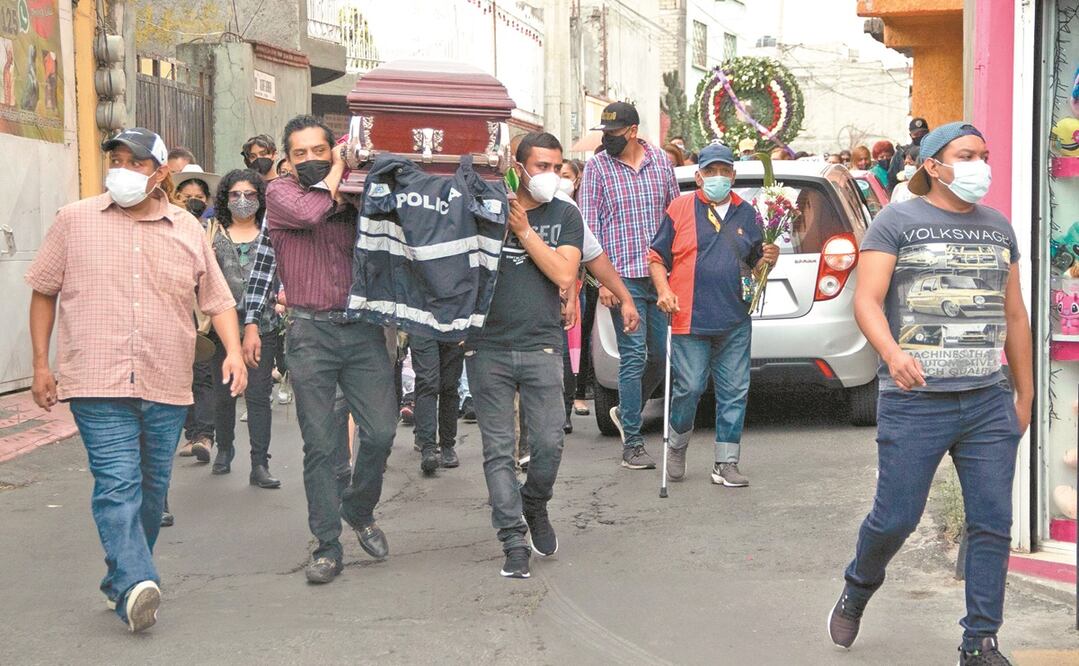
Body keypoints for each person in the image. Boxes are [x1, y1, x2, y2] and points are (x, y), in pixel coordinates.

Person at [25, 128, 246, 632]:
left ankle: (121, 581)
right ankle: (138, 583)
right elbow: (43, 291)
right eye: (117, 161)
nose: (123, 170)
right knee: (117, 482)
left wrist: (233, 351)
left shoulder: (187, 229)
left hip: (166, 378)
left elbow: (216, 299)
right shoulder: (73, 220)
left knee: (151, 489)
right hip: (95, 380)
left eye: (137, 163)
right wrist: (40, 364)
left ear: (161, 172)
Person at [828, 122, 1032, 665]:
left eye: (983, 154)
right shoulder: (896, 221)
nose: (979, 165)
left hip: (987, 398)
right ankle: (860, 583)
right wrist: (893, 354)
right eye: (966, 155)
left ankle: (980, 641)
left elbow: (1014, 314)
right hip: (916, 401)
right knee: (896, 517)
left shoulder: (998, 228)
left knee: (992, 522)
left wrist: (1025, 395)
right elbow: (867, 300)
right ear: (933, 165)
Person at [243, 115, 396, 585]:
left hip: (363, 330)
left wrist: (355, 178)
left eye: (319, 150)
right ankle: (327, 545)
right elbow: (310, 214)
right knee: (322, 446)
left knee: (381, 432)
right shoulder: (279, 194)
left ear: (333, 149)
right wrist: (339, 174)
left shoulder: (354, 191)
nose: (311, 159)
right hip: (310, 335)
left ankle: (359, 507)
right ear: (288, 161)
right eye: (300, 153)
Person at [467, 132, 582, 579]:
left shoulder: (564, 214)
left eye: (557, 167)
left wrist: (524, 231)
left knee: (549, 443)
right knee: (498, 450)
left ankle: (534, 502)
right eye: (541, 166)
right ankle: (512, 539)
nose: (551, 175)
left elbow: (564, 273)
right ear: (518, 168)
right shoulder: (484, 208)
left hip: (542, 344)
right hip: (487, 346)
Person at [649, 143, 778, 487]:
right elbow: (657, 257)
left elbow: (755, 263)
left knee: (735, 390)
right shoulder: (679, 208)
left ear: (733, 176)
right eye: (710, 171)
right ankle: (677, 445)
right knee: (689, 387)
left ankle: (726, 462)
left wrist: (769, 258)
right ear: (699, 176)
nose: (717, 177)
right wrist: (663, 291)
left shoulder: (748, 213)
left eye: (724, 171)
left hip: (734, 318)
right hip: (688, 316)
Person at [579, 101, 678, 471]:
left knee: (659, 356)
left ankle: (626, 410)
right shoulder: (597, 168)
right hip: (620, 279)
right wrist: (601, 282)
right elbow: (588, 228)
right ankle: (633, 444)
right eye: (604, 133)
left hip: (659, 274)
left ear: (633, 131)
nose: (607, 139)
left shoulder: (661, 163)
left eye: (614, 133)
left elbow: (674, 216)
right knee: (634, 355)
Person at [206, 169, 282, 488]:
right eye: (235, 194)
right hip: (221, 330)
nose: (242, 200)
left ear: (260, 199)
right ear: (225, 198)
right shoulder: (212, 233)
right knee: (224, 394)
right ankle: (224, 448)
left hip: (263, 327)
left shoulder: (271, 234)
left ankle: (259, 463)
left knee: (258, 395)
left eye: (250, 195)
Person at [171, 165, 222, 463]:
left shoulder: (213, 230)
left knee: (202, 374)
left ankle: (204, 435)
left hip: (204, 313)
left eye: (199, 196)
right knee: (182, 374)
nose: (193, 200)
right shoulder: (168, 227)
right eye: (187, 195)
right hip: (175, 308)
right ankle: (192, 432)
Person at [411, 332, 466, 474]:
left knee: (450, 385)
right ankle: (428, 447)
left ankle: (447, 445)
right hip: (422, 325)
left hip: (454, 326)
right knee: (427, 383)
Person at [887, 117, 930, 190]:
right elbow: (892, 179)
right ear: (911, 135)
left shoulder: (934, 150)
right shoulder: (901, 153)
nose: (920, 136)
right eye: (916, 134)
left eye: (923, 133)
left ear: (928, 133)